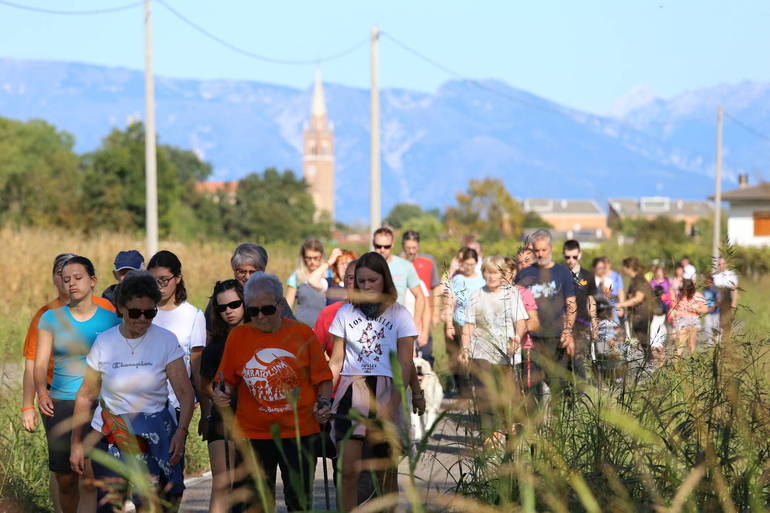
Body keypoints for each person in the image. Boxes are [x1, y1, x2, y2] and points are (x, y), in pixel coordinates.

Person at [69, 271, 194, 513]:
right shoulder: (105, 343)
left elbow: (185, 394)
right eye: (135, 313)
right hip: (110, 434)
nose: (142, 319)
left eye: (150, 313)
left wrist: (181, 432)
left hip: (154, 435)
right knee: (108, 505)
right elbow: (86, 395)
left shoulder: (166, 341)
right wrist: (76, 443)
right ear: (122, 309)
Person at [212, 272, 333, 513]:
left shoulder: (302, 334)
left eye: (266, 309)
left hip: (299, 432)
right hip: (255, 435)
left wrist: (323, 402)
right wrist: (220, 392)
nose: (260, 317)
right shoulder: (239, 336)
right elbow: (224, 380)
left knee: (299, 501)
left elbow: (324, 379)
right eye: (253, 311)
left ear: (280, 304)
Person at [327, 252, 425, 512]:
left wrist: (395, 402)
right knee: (347, 471)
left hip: (387, 387)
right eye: (361, 281)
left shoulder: (400, 315)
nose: (367, 286)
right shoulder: (345, 313)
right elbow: (336, 360)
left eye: (372, 280)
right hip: (352, 389)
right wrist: (323, 396)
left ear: (385, 281)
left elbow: (405, 364)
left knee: (385, 473)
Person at [21, 253, 115, 513]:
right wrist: (40, 393)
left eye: (78, 278)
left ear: (92, 280)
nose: (71, 283)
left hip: (97, 403)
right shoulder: (50, 318)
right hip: (60, 402)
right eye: (66, 279)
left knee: (88, 473)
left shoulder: (110, 317)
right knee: (64, 477)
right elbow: (38, 364)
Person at [459, 256, 528, 445]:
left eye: (495, 272)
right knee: (484, 393)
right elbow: (469, 325)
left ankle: (507, 426)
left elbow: (521, 322)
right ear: (483, 274)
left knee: (509, 397)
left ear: (502, 274)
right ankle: (489, 435)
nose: (491, 276)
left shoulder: (511, 294)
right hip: (481, 352)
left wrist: (517, 337)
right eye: (487, 272)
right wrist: (464, 348)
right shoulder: (475, 295)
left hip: (506, 353)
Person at [199, 279, 245, 513]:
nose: (229, 311)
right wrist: (215, 397)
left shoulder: (259, 338)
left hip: (256, 421)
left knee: (251, 487)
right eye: (222, 307)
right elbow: (204, 382)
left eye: (234, 304)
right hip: (223, 418)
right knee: (222, 483)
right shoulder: (215, 345)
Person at [515, 229, 576, 399]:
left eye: (544, 250)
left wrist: (568, 331)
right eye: (537, 251)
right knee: (533, 388)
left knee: (558, 385)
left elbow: (571, 304)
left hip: (557, 337)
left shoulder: (562, 273)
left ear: (551, 248)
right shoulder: (524, 274)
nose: (540, 254)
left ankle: (560, 422)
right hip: (532, 339)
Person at [147, 250, 206, 417]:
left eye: (164, 280)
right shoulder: (141, 313)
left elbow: (196, 365)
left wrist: (205, 411)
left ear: (178, 278)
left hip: (176, 404)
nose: (159, 286)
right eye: (153, 281)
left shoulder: (193, 316)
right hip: (141, 402)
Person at [443, 247, 485, 397]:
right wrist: (449, 324)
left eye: (472, 264)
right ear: (462, 263)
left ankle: (478, 389)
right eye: (466, 264)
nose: (469, 267)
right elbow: (449, 303)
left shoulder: (482, 279)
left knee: (476, 359)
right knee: (459, 358)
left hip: (478, 324)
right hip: (459, 322)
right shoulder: (457, 280)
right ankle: (464, 392)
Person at [372, 227, 426, 340]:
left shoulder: (405, 266)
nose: (382, 250)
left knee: (398, 358)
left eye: (386, 246)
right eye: (378, 246)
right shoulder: (365, 265)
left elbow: (420, 296)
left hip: (397, 326)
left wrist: (415, 324)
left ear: (392, 244)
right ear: (373, 244)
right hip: (371, 325)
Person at [401, 230, 441, 364]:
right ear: (403, 246)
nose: (411, 251)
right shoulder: (397, 263)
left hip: (425, 312)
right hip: (404, 313)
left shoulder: (428, 261)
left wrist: (435, 312)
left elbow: (436, 286)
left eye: (414, 248)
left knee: (425, 349)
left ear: (418, 246)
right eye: (408, 248)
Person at [562, 240, 597, 379]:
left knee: (579, 360)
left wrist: (594, 322)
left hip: (583, 325)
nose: (571, 260)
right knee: (564, 362)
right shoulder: (559, 274)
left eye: (574, 257)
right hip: (563, 325)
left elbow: (591, 299)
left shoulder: (588, 276)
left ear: (579, 255)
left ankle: (581, 394)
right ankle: (567, 395)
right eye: (567, 257)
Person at [314, 260, 357, 357]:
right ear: (344, 282)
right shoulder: (329, 313)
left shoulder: (383, 315)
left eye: (361, 279)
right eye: (351, 278)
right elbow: (314, 357)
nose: (355, 284)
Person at [614, 257, 655, 359]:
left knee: (645, 344)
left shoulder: (639, 279)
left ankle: (649, 366)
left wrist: (621, 304)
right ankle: (647, 364)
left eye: (623, 266)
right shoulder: (636, 278)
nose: (623, 269)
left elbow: (638, 298)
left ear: (628, 267)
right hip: (639, 315)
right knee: (643, 344)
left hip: (642, 316)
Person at [285, 238, 331, 328]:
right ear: (303, 257)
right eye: (308, 258)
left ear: (322, 256)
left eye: (316, 258)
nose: (312, 262)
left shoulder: (330, 275)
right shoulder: (295, 277)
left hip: (325, 330)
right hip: (301, 329)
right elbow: (287, 307)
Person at [669, 278, 708, 355]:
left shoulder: (698, 296)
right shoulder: (679, 295)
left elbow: (705, 309)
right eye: (683, 289)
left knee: (691, 343)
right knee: (680, 343)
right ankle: (677, 363)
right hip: (681, 319)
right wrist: (673, 312)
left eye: (687, 290)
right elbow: (674, 307)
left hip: (693, 320)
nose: (685, 292)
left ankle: (691, 360)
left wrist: (696, 309)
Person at [713, 256, 739, 341]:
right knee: (716, 322)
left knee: (727, 323)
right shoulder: (714, 276)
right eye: (719, 264)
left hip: (727, 301)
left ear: (726, 264)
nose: (721, 266)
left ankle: (726, 341)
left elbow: (735, 290)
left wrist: (734, 304)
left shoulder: (731, 275)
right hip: (716, 302)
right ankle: (717, 341)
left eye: (723, 264)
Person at [701, 273, 721, 346]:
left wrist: (713, 307)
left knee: (716, 326)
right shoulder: (705, 290)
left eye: (709, 282)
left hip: (716, 312)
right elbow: (703, 299)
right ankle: (710, 341)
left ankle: (718, 340)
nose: (707, 283)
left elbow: (719, 300)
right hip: (707, 312)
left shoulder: (716, 290)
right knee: (707, 326)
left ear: (712, 281)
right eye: (706, 282)